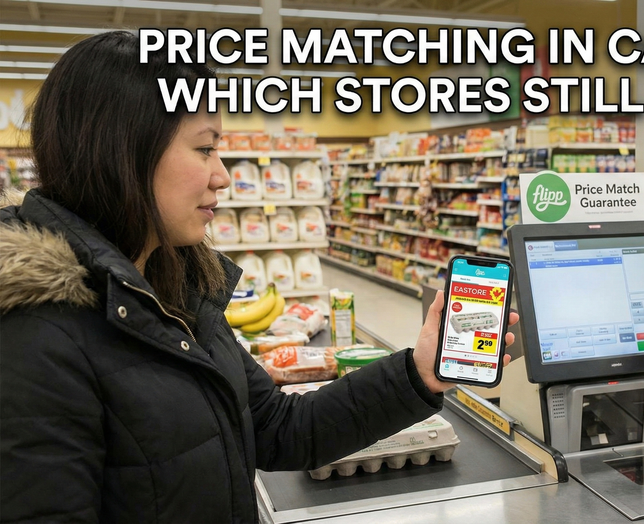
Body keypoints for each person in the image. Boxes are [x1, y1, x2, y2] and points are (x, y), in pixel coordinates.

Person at [0, 31, 516, 523]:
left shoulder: (173, 293)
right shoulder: (33, 342)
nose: (222, 174)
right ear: (122, 151)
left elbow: (277, 427)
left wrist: (419, 372)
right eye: (205, 148)